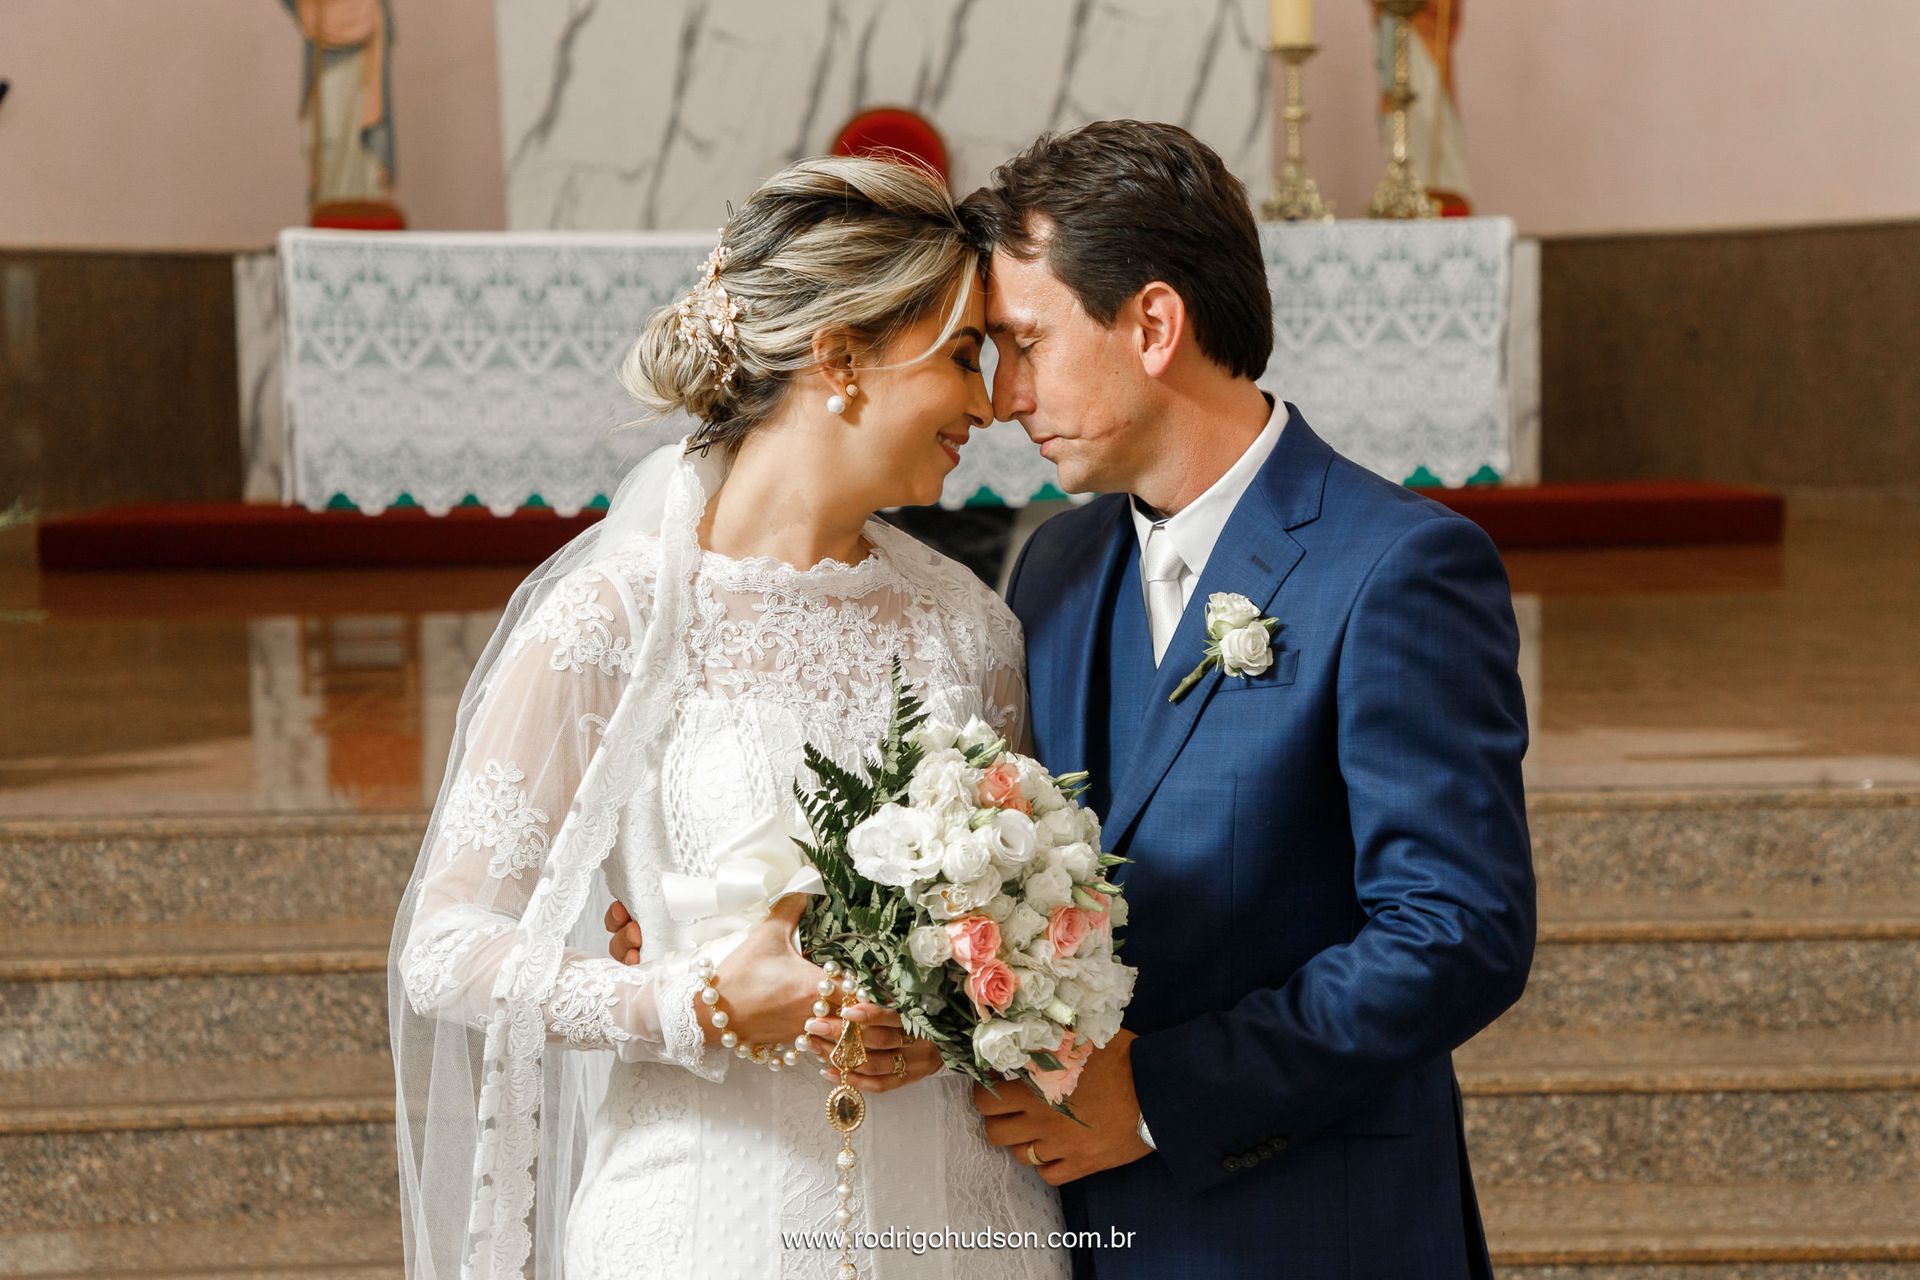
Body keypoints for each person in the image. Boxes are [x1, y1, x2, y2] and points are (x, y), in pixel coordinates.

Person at [390, 156, 1069, 1279]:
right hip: (712, 1212)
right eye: (961, 356)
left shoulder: (969, 624)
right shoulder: (614, 620)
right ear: (840, 358)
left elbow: (1015, 914)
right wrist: (690, 1000)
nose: (990, 402)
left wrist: (943, 1010)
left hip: (962, 1213)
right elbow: (446, 946)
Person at [953, 119, 1536, 1279]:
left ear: (1154, 324)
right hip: (1090, 1228)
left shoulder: (1399, 567)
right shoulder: (1056, 564)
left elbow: (1456, 930)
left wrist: (1161, 1093)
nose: (1006, 394)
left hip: (1314, 1220)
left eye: (1026, 343)